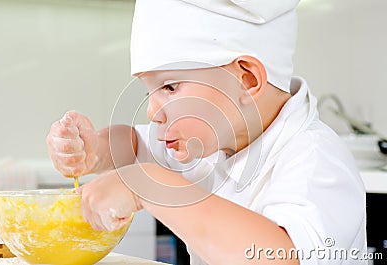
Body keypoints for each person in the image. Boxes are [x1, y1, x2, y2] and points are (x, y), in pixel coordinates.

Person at [46, 0, 367, 264]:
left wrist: (152, 186)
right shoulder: (209, 144)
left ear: (246, 80)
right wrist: (93, 149)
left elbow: (280, 257)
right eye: (149, 93)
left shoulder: (316, 161)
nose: (151, 111)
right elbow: (132, 143)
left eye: (169, 86)